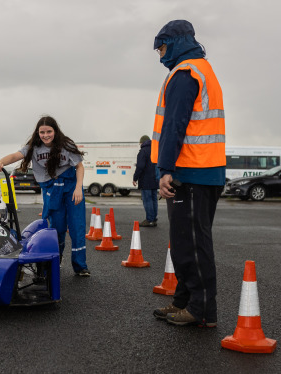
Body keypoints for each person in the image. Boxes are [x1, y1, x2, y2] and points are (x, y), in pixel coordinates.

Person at [150, 20, 225, 327]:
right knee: (187, 241)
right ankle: (184, 300)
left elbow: (174, 126)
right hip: (204, 170)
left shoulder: (184, 75)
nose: (160, 56)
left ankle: (201, 309)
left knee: (191, 244)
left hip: (191, 172)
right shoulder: (203, 71)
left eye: (162, 48)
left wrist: (166, 170)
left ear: (177, 43)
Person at [0, 116, 90, 276]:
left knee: (76, 228)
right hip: (52, 190)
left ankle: (80, 267)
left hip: (72, 189)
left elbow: (79, 166)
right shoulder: (34, 147)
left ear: (55, 131)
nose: (46, 135)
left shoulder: (66, 144)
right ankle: (55, 262)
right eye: (42, 132)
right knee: (56, 229)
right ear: (38, 133)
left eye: (49, 131)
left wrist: (79, 188)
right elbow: (15, 156)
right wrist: (0, 162)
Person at [133, 135, 159, 227]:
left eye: (140, 143)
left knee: (147, 200)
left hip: (146, 180)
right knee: (154, 200)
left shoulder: (143, 151)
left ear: (143, 142)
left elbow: (140, 166)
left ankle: (149, 220)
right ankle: (154, 219)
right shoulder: (156, 150)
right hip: (155, 180)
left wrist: (135, 178)